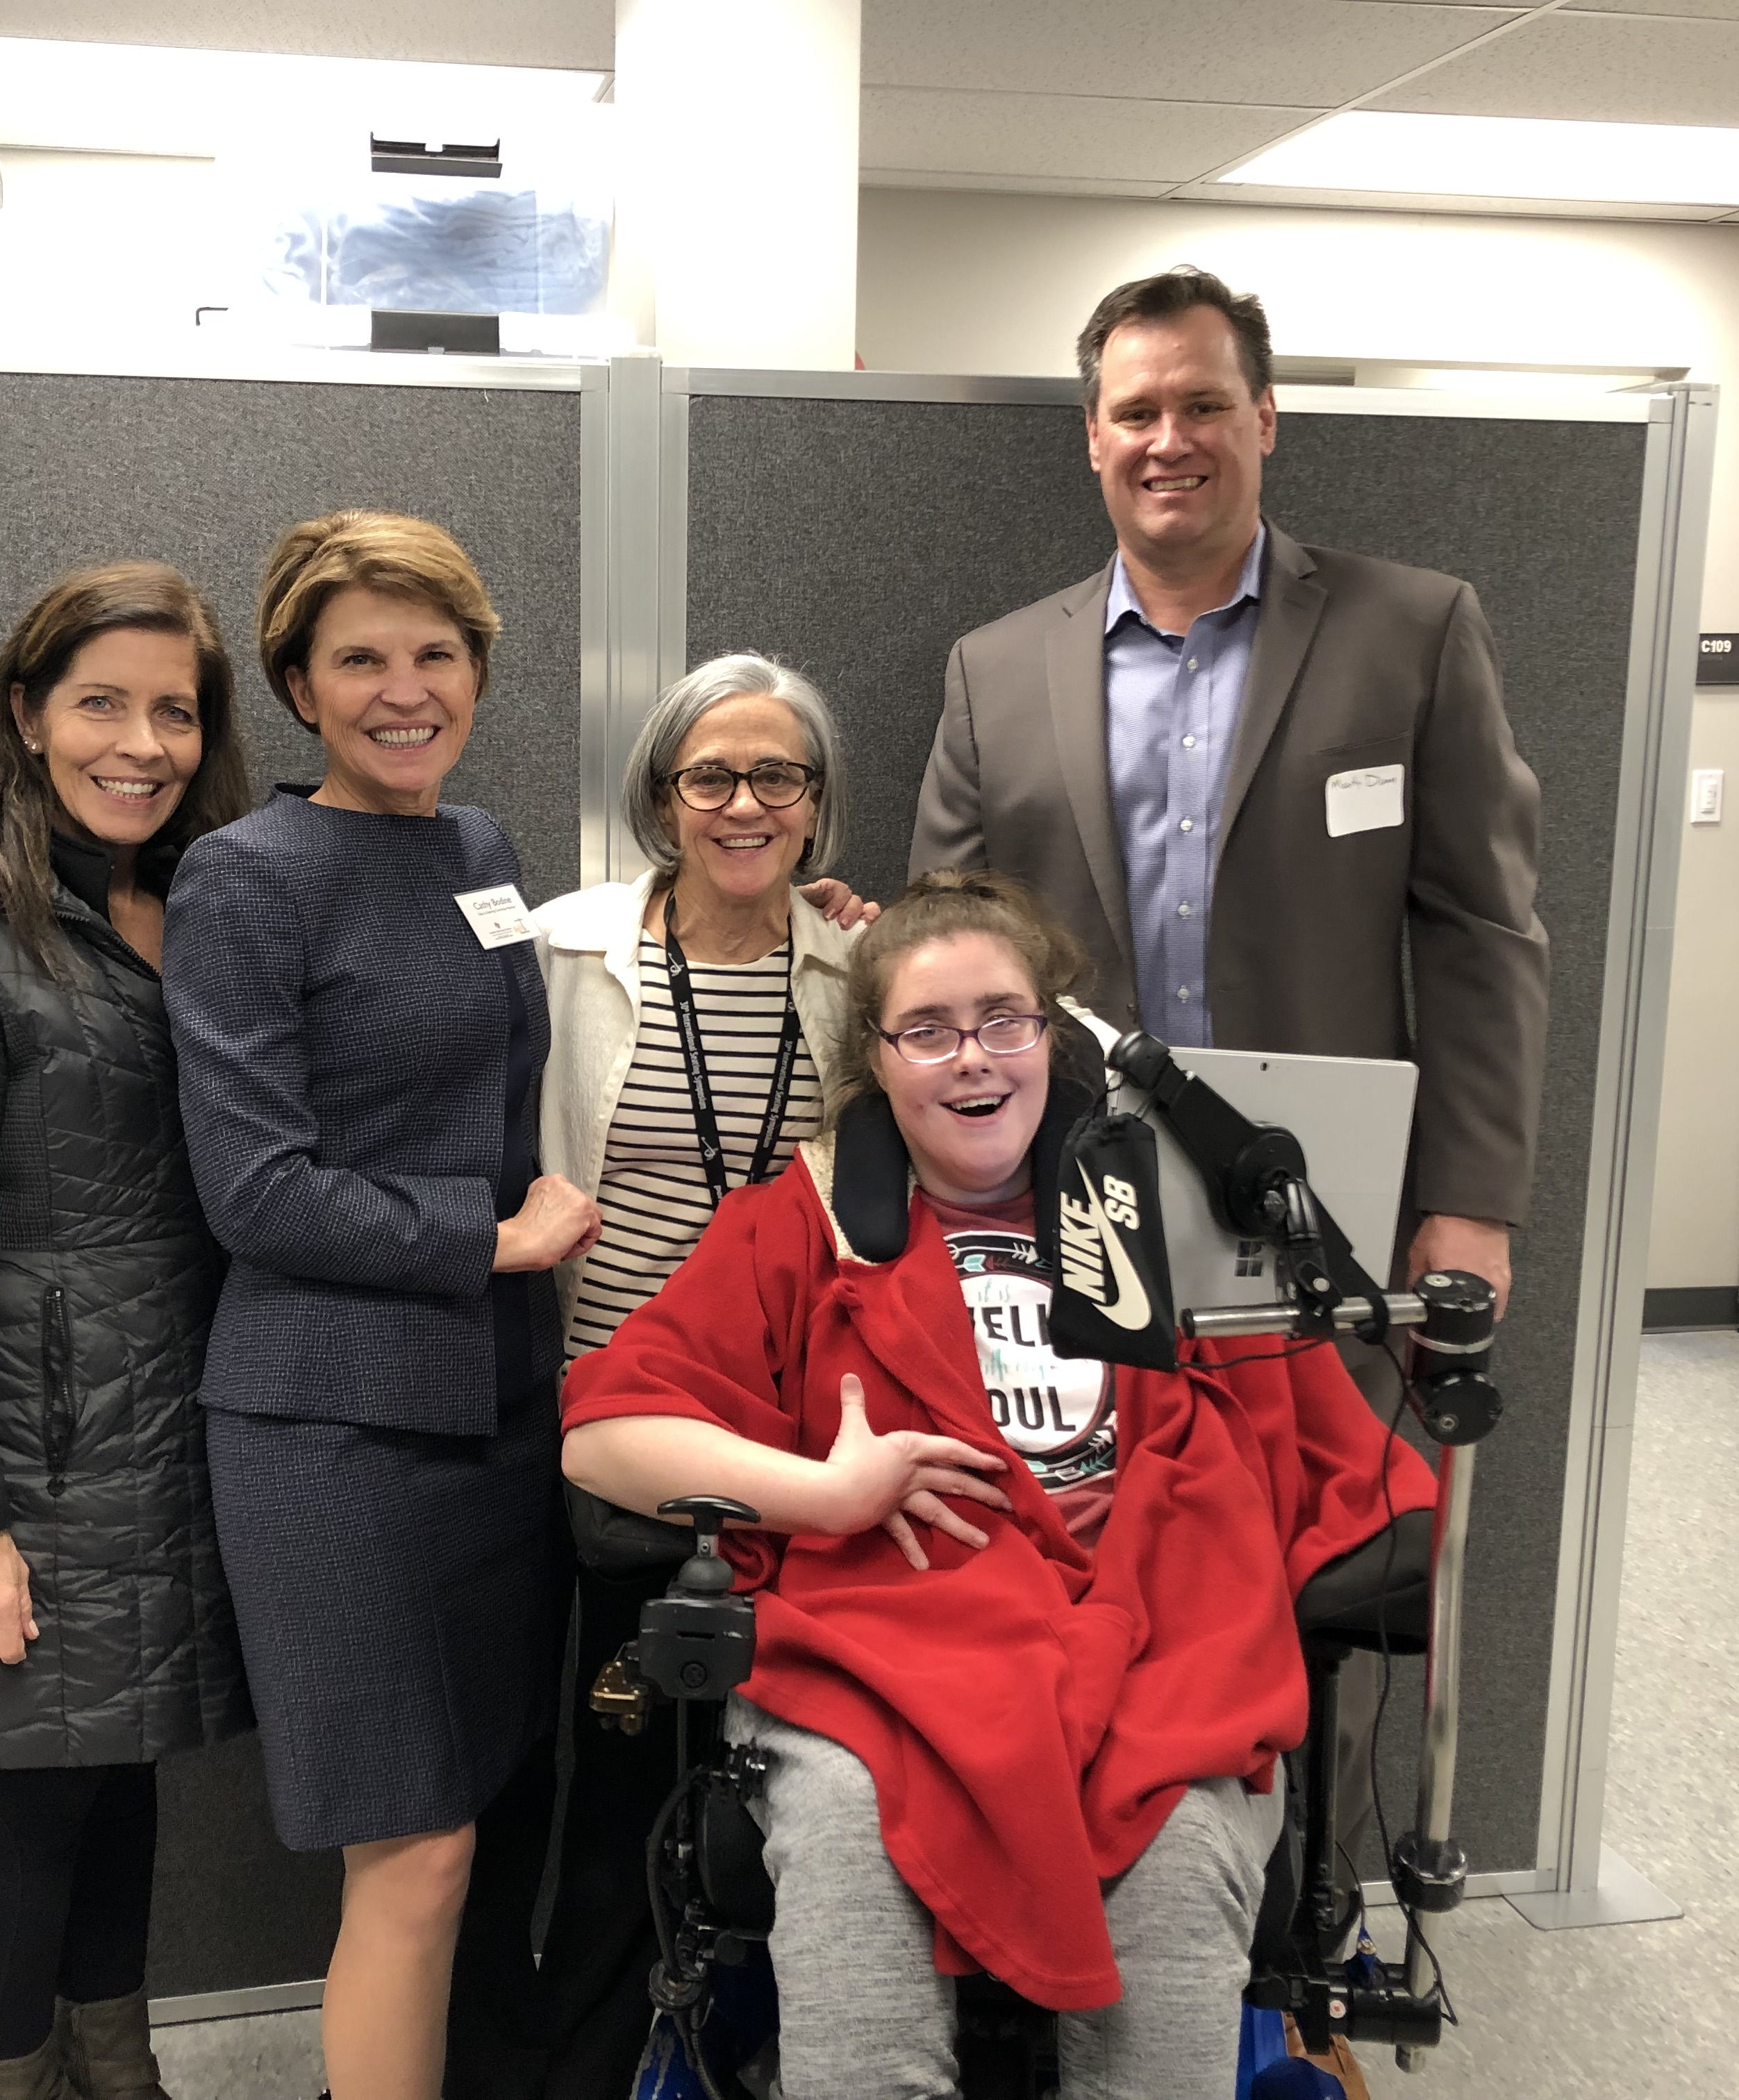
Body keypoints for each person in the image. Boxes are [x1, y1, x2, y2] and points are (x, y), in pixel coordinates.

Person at [560, 869, 1437, 2099]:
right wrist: (828, 1493)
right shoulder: (793, 1230)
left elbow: (1311, 1443)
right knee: (859, 1850)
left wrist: (1164, 1494)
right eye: (928, 1031)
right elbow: (602, 1440)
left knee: (1181, 1850)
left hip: (1147, 1657)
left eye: (1003, 1020)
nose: (972, 1060)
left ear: (1050, 1035)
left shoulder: (1171, 1231)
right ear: (877, 1056)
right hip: (886, 1662)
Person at [163, 510, 599, 2100]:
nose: (403, 689)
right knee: (409, 1848)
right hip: (331, 1425)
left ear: (479, 668)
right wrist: (486, 1243)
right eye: (361, 658)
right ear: (296, 681)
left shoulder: (480, 852)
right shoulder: (246, 880)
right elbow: (256, 1192)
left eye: (436, 654)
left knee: (481, 1823)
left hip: (499, 1418)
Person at [909, 264, 1547, 1313]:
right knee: (1091, 1475)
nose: (1170, 440)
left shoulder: (1411, 635)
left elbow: (1483, 935)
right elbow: (941, 953)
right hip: (1066, 1190)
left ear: (1263, 420)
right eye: (1138, 412)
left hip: (1327, 1192)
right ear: (1094, 438)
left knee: (1320, 1475)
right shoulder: (998, 671)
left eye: (1203, 405)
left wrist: (1470, 1201)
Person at [0, 561, 256, 2100]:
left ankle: (120, 2072)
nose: (139, 742)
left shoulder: (204, 896)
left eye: (173, 708)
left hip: (174, 1441)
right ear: (27, 717)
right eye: (101, 703)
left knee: (117, 1777)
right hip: (39, 1458)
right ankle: (4, 2084)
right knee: (31, 1804)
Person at [525, 653, 867, 2094]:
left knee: (786, 1767)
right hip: (612, 1423)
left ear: (817, 802)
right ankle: (608, 2058)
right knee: (617, 1771)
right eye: (709, 775)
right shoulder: (564, 950)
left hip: (788, 1438)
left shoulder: (863, 969)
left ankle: (772, 2042)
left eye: (776, 774)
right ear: (661, 797)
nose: (743, 801)